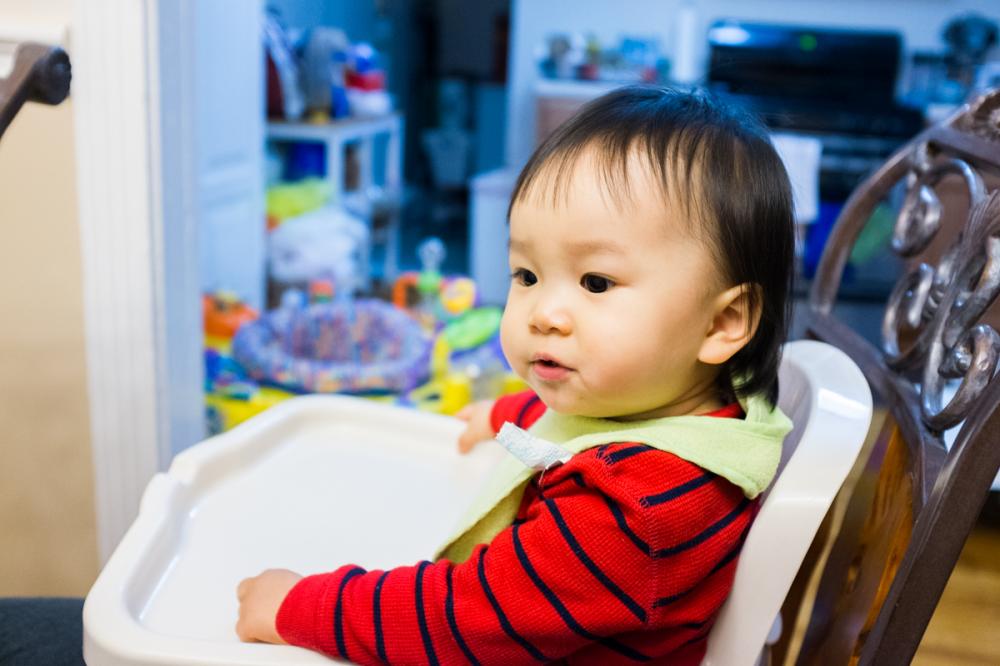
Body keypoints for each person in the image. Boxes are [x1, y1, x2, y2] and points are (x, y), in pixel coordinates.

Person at [235, 85, 795, 665]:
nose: (543, 314)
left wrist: (300, 607)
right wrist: (508, 415)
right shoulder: (695, 408)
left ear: (722, 323)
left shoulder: (635, 510)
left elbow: (462, 620)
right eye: (526, 275)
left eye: (596, 282)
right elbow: (586, 427)